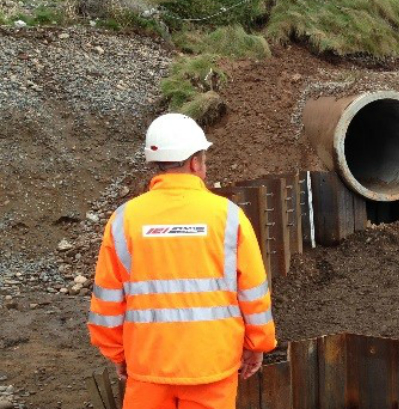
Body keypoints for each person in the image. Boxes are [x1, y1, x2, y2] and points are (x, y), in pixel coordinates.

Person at [87, 113, 276, 408]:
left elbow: (107, 301)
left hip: (148, 366)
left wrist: (118, 354)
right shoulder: (228, 217)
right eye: (204, 161)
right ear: (194, 162)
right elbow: (252, 292)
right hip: (212, 366)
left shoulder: (124, 219)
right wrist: (257, 345)